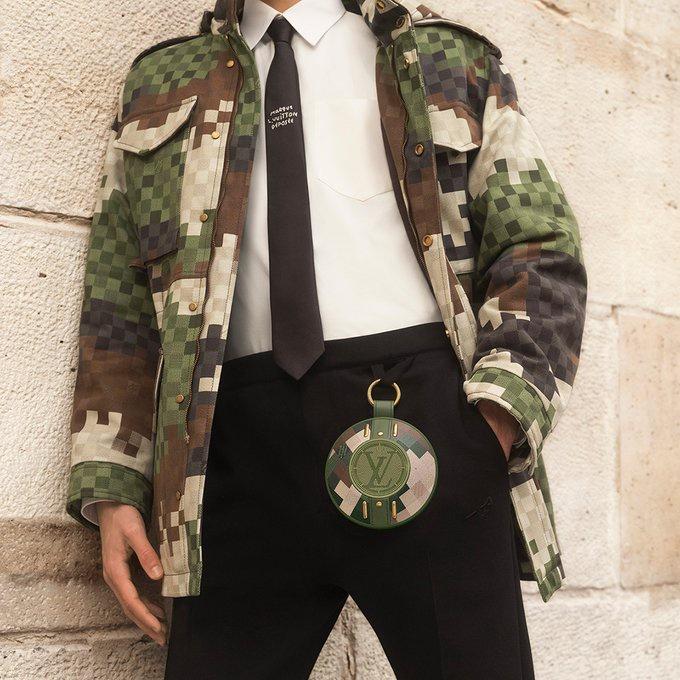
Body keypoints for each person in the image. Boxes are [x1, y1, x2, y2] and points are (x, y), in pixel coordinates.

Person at [65, 0, 587, 677]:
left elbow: (540, 246)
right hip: (229, 455)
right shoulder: (161, 83)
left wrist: (494, 425)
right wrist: (113, 486)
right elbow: (119, 298)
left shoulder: (442, 57)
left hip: (431, 432)